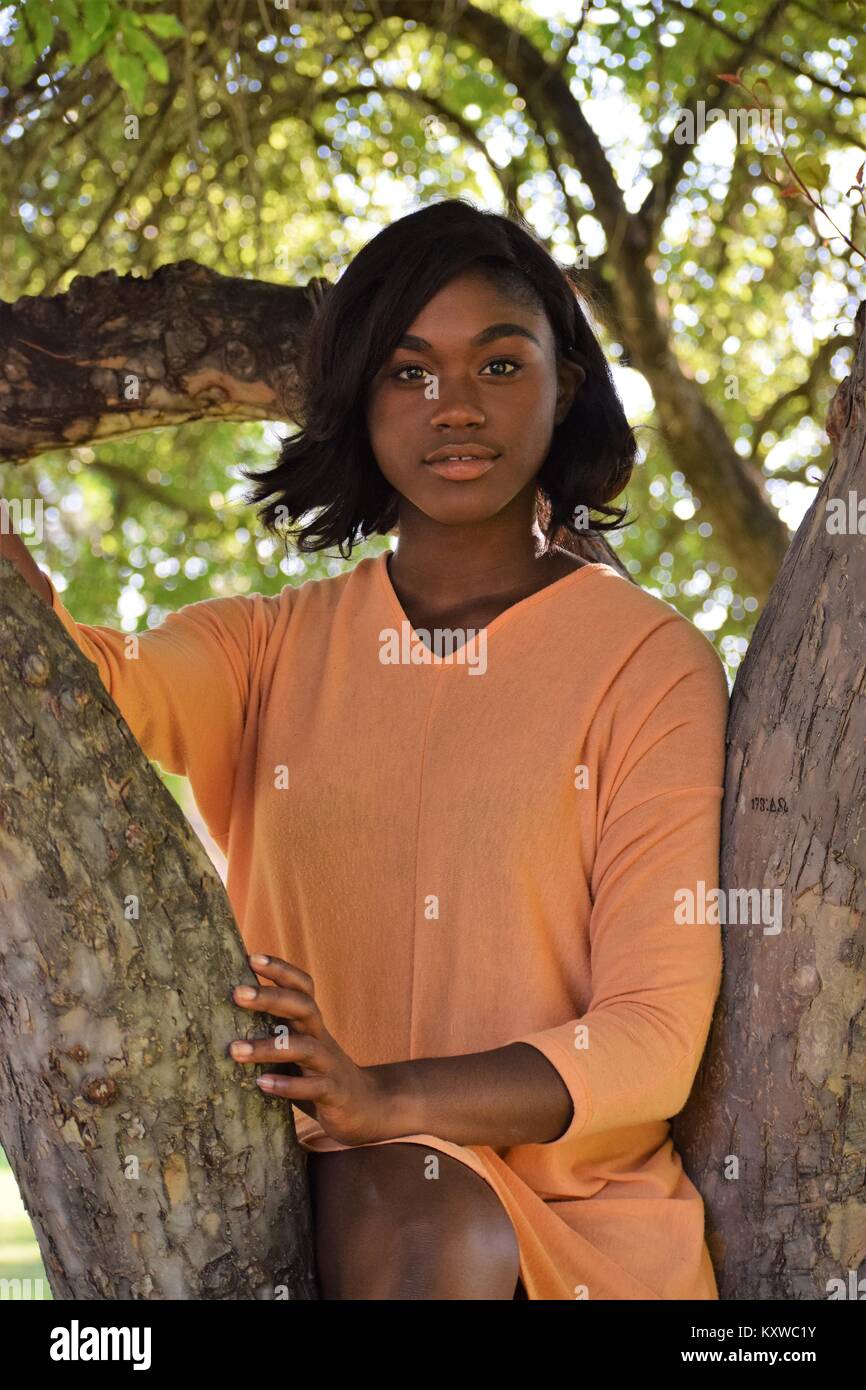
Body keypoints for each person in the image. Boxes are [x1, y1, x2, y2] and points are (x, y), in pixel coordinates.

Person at [5, 197, 729, 1300]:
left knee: (432, 1227)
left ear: (563, 384)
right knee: (412, 1215)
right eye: (408, 371)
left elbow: (651, 1033)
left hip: (574, 1225)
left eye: (497, 365)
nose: (454, 408)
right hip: (313, 1180)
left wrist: (384, 1095)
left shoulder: (649, 661)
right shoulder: (263, 647)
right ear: (359, 394)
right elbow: (73, 694)